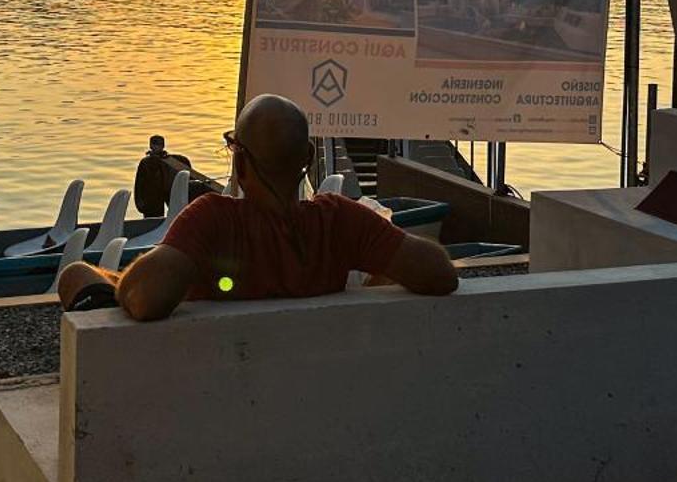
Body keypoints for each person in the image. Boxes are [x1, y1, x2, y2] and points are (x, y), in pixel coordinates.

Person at [62, 94, 458, 320]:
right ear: (307, 158)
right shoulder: (341, 221)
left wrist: (120, 281)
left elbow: (143, 298)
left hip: (208, 386)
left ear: (239, 163)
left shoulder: (214, 220)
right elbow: (440, 274)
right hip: (313, 384)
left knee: (78, 273)